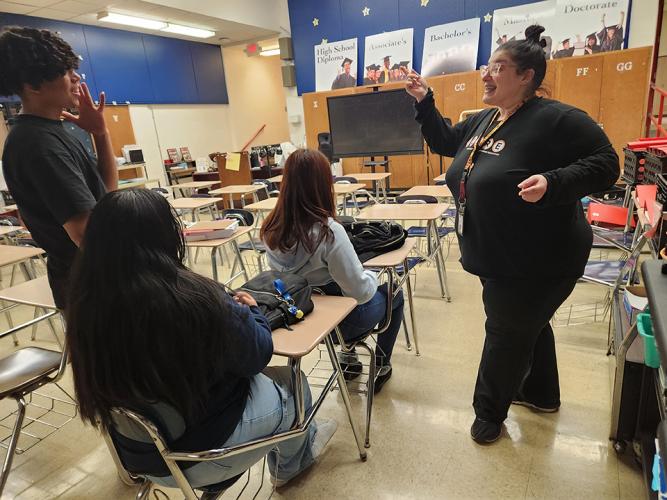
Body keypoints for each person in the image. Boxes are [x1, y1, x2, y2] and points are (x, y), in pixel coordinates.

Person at [404, 25, 619, 444]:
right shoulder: (486, 120)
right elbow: (449, 142)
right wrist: (425, 101)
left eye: (497, 68)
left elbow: (606, 163)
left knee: (506, 332)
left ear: (526, 77)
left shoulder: (557, 118)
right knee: (527, 325)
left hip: (541, 259)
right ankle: (541, 394)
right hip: (497, 254)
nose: (486, 75)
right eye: (487, 66)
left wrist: (553, 183)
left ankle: (488, 414)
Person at [65, 188, 337, 489]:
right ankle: (291, 466)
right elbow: (258, 353)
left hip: (138, 453)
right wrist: (253, 312)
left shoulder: (84, 307)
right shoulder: (193, 300)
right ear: (167, 237)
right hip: (200, 456)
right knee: (294, 383)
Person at [261, 149, 404, 393]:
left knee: (335, 293)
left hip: (300, 320)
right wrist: (372, 274)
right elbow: (360, 293)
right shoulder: (329, 232)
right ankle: (381, 364)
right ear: (323, 185)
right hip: (341, 325)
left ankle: (349, 361)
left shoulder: (271, 229)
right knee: (394, 292)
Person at [0, 27, 117, 309]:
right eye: (65, 71)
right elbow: (84, 234)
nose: (76, 77)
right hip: (94, 285)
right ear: (33, 86)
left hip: (94, 276)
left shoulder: (54, 132)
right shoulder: (39, 144)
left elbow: (108, 196)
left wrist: (100, 134)